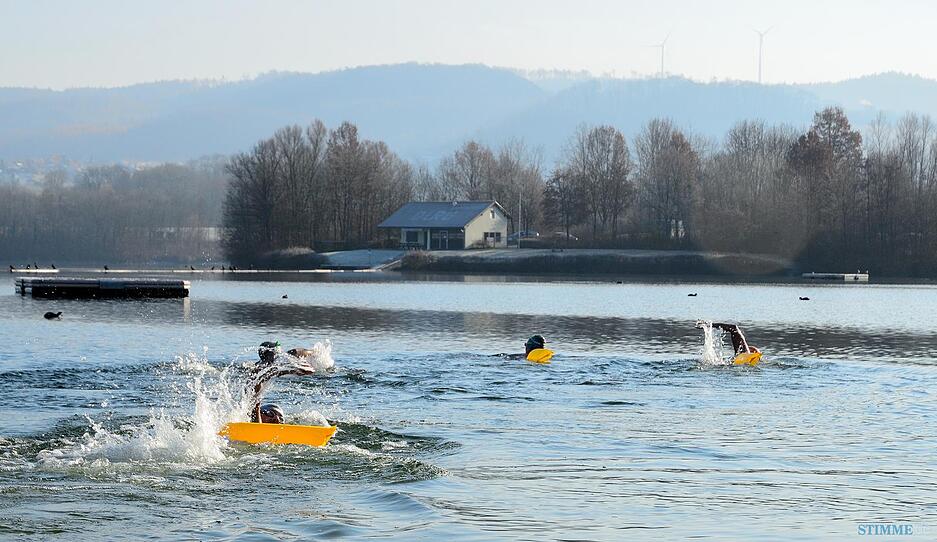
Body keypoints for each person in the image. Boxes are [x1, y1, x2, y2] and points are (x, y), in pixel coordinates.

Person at [248, 341, 315, 423]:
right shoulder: (258, 369)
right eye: (270, 414)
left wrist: (313, 353)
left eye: (281, 419)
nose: (276, 418)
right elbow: (256, 393)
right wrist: (292, 371)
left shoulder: (285, 358)